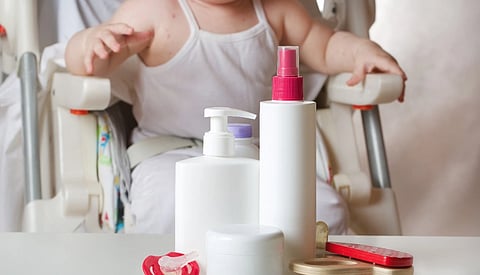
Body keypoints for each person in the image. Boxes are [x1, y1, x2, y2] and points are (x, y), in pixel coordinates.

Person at [65, 0, 407, 234]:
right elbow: (91, 64)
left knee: (323, 208)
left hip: (255, 154)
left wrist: (363, 52)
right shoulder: (154, 10)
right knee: (167, 206)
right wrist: (90, 45)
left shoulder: (276, 10)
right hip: (171, 153)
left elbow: (326, 46)